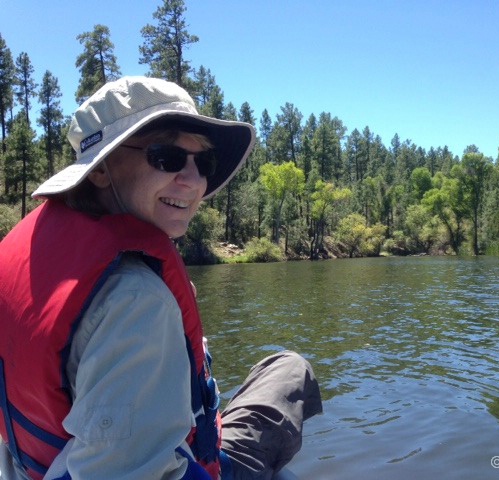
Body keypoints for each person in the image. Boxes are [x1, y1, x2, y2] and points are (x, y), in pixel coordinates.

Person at [0, 76, 322, 480]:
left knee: (284, 367)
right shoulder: (137, 300)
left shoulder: (31, 253)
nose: (194, 181)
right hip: (190, 467)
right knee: (294, 370)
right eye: (167, 157)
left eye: (202, 163)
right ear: (100, 170)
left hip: (39, 464)